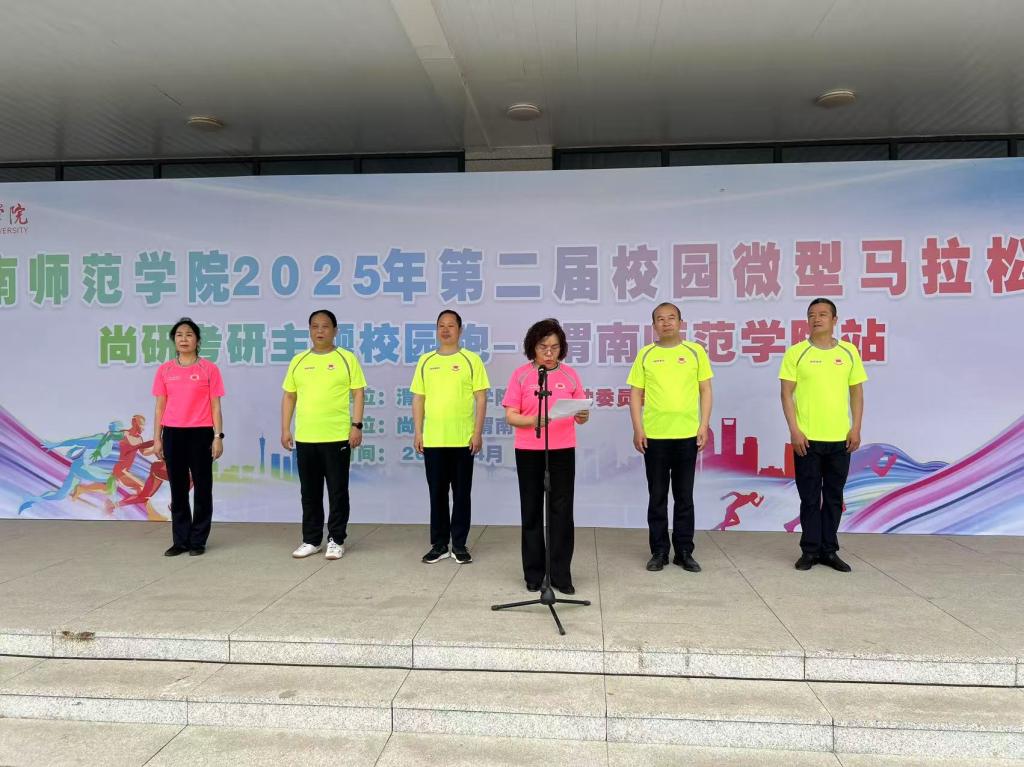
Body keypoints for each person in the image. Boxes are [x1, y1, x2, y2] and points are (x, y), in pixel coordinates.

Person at [779, 297, 867, 572]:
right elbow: (786, 393)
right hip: (807, 440)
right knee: (809, 498)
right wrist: (794, 430)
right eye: (812, 315)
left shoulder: (849, 352)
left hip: (840, 439)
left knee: (833, 497)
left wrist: (855, 427)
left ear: (834, 320)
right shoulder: (797, 353)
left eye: (823, 314)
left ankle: (829, 550)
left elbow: (857, 392)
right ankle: (809, 550)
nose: (816, 319)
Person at [502, 318, 589, 593]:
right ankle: (534, 573)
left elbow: (581, 413)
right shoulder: (521, 375)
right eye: (543, 347)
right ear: (533, 347)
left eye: (555, 347)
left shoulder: (570, 375)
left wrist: (582, 415)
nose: (549, 352)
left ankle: (561, 574)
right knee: (531, 511)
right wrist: (533, 421)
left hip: (562, 449)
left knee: (561, 512)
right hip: (528, 450)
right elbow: (510, 416)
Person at [627, 302, 713, 573]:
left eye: (671, 318)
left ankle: (684, 551)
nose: (666, 323)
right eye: (660, 319)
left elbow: (706, 390)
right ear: (654, 325)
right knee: (657, 496)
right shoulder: (646, 354)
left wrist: (704, 425)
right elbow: (635, 394)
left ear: (680, 322)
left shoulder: (695, 352)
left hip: (687, 435)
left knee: (684, 496)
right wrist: (638, 429)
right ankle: (659, 551)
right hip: (655, 436)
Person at [282, 309, 366, 561]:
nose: (320, 331)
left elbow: (358, 392)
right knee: (309, 492)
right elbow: (289, 396)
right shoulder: (299, 360)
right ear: (309, 330)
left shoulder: (346, 358)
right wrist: (285, 428)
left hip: (337, 436)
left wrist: (356, 425)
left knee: (337, 491)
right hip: (306, 437)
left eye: (325, 326)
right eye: (315, 326)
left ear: (335, 330)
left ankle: (336, 539)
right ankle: (311, 539)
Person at [412, 310, 489, 565]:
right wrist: (418, 432)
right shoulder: (426, 361)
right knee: (437, 494)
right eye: (441, 326)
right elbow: (419, 398)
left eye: (451, 326)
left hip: (463, 440)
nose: (445, 330)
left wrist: (477, 433)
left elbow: (481, 398)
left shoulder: (471, 360)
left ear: (460, 330)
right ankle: (439, 544)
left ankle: (459, 544)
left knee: (462, 494)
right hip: (433, 440)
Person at [152, 318, 225, 556]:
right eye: (179, 335)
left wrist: (218, 436)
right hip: (173, 433)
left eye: (189, 335)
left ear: (197, 340)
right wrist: (157, 438)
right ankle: (180, 541)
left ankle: (198, 541)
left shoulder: (209, 369)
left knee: (203, 488)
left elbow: (216, 406)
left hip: (201, 433)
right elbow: (159, 407)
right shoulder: (165, 370)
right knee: (178, 488)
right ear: (174, 340)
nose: (184, 339)